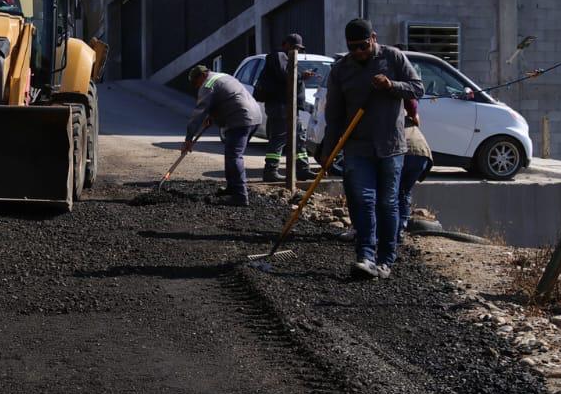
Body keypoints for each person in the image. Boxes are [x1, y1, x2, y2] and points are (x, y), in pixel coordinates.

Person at [321, 19, 424, 280]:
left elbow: (418, 88)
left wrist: (392, 86)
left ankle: (385, 260)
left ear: (373, 38)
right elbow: (333, 115)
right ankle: (365, 257)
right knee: (362, 200)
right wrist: (328, 149)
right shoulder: (341, 70)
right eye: (353, 47)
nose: (358, 52)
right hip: (357, 146)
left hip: (390, 146)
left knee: (387, 203)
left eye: (363, 46)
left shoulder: (393, 58)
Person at [180, 64, 264, 206]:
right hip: (254, 117)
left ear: (201, 76)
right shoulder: (223, 76)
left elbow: (198, 114)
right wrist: (213, 116)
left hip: (240, 119)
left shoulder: (208, 84)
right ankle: (232, 188)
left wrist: (188, 139)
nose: (196, 87)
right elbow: (227, 97)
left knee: (234, 156)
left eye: (195, 83)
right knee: (231, 154)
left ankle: (240, 196)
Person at [253, 33, 321, 182]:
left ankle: (302, 170)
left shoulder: (288, 59)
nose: (296, 51)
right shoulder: (278, 56)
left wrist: (302, 75)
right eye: (294, 47)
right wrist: (302, 76)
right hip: (280, 107)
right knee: (279, 138)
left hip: (290, 107)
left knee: (298, 138)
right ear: (285, 45)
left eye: (299, 49)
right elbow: (285, 76)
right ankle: (270, 171)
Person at [396, 97, 433, 249]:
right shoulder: (407, 117)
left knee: (391, 193)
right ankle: (399, 231)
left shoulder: (389, 117)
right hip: (422, 154)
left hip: (404, 153)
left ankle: (387, 231)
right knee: (404, 192)